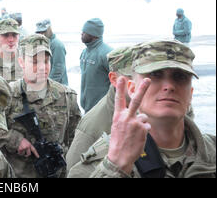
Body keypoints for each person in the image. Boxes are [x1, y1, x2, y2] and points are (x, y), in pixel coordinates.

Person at [68, 40, 216, 178]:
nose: (169, 86)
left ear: (190, 94)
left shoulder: (211, 154)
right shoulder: (100, 160)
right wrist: (115, 167)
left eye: (180, 76)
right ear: (132, 89)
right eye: (155, 75)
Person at [0, 34, 81, 178]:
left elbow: (76, 140)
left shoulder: (67, 97)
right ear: (21, 62)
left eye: (46, 61)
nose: (42, 67)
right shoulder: (7, 96)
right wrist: (15, 140)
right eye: (34, 62)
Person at [66, 45, 135, 173]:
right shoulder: (92, 125)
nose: (140, 81)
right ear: (114, 79)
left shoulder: (148, 108)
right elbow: (73, 170)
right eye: (132, 77)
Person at [79, 18, 113, 113]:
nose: (81, 34)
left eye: (84, 31)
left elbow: (117, 83)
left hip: (102, 110)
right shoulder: (84, 53)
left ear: (93, 34)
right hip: (87, 108)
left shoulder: (108, 54)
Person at [35, 19, 68, 86]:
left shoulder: (57, 45)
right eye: (39, 32)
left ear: (49, 29)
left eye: (43, 31)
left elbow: (58, 69)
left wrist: (47, 85)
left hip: (58, 87)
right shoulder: (43, 43)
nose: (41, 34)